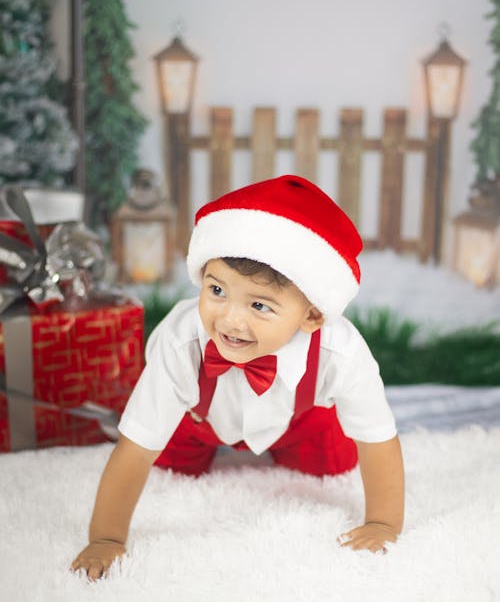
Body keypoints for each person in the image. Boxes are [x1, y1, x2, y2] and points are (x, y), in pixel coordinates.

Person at [71, 175, 404, 580]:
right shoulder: (181, 344)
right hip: (196, 421)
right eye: (217, 290)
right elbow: (136, 448)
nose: (229, 319)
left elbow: (378, 440)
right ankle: (194, 449)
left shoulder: (341, 353)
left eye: (260, 305)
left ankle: (300, 448)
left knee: (336, 464)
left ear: (312, 315)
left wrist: (383, 523)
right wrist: (106, 538)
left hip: (301, 420)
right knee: (171, 467)